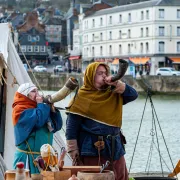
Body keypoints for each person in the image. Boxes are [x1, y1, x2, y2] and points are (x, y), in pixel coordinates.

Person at [66, 62, 138, 180]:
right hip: (93, 150)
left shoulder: (113, 93)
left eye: (105, 73)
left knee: (120, 177)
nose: (104, 76)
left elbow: (133, 95)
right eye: (99, 73)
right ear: (91, 76)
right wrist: (73, 151)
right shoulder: (81, 97)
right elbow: (71, 129)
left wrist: (117, 83)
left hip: (116, 148)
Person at [12, 82, 62, 175]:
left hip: (44, 159)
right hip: (27, 158)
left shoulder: (40, 109)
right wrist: (41, 105)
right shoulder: (19, 110)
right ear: (25, 94)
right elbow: (38, 122)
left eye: (37, 91)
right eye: (33, 91)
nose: (38, 94)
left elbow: (57, 126)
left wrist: (52, 110)